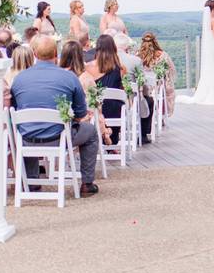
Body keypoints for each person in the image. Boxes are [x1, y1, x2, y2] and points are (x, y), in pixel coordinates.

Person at [10, 36, 99, 197]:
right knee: (91, 132)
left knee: (27, 128)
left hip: (26, 138)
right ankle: (87, 182)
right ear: (56, 53)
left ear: (35, 54)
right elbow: (80, 113)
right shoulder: (69, 77)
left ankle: (31, 181)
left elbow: (14, 110)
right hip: (60, 137)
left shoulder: (19, 79)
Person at [87, 34, 127, 143]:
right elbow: (123, 91)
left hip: (95, 111)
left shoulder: (87, 68)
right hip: (114, 110)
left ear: (97, 48)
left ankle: (100, 138)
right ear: (113, 48)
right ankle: (111, 139)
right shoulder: (121, 68)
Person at [137, 32, 177, 118]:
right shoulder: (163, 55)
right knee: (165, 83)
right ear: (155, 41)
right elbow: (171, 71)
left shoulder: (137, 56)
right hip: (157, 88)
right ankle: (161, 114)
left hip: (141, 89)